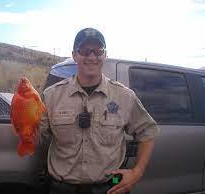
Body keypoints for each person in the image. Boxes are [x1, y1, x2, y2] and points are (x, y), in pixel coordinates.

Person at [39, 27, 160, 194]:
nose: (91, 56)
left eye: (97, 51)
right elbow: (36, 137)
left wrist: (137, 173)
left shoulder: (124, 96)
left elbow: (148, 131)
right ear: (74, 55)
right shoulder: (51, 96)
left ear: (105, 55)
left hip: (110, 187)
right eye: (84, 51)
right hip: (61, 188)